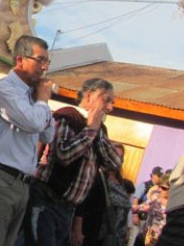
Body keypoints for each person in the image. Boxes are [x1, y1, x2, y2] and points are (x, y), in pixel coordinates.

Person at [0, 35, 56, 246]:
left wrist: (39, 102)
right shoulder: (6, 89)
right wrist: (42, 101)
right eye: (40, 60)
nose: (44, 67)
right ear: (20, 60)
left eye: (47, 62)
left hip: (21, 183)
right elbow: (34, 124)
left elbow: (48, 134)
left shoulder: (30, 95)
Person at [31, 78, 123, 246]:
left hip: (67, 210)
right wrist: (90, 130)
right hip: (46, 201)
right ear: (89, 97)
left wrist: (95, 131)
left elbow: (115, 162)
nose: (110, 107)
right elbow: (64, 155)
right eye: (106, 100)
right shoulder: (68, 117)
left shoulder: (97, 130)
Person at [133, 174, 171, 245]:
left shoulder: (174, 205)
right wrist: (135, 212)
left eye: (164, 188)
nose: (160, 189)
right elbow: (141, 207)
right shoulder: (155, 197)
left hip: (158, 242)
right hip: (144, 237)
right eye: (159, 186)